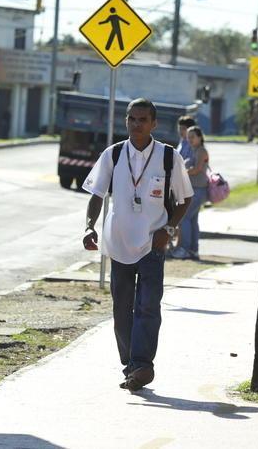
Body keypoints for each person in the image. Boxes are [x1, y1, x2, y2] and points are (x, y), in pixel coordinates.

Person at [82, 98, 192, 391]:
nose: (136, 124)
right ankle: (130, 365)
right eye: (132, 119)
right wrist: (89, 226)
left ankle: (143, 365)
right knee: (122, 308)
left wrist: (168, 229)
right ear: (126, 121)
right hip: (118, 243)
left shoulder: (169, 158)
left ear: (154, 124)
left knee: (148, 306)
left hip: (153, 244)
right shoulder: (114, 155)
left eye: (143, 119)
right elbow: (96, 194)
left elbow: (185, 199)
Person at [173, 125, 208, 260]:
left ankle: (185, 249)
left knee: (184, 218)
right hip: (193, 189)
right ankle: (193, 250)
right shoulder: (194, 150)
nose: (190, 139)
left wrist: (181, 173)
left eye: (193, 137)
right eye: (188, 137)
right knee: (192, 220)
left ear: (200, 137)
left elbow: (197, 169)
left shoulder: (201, 151)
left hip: (197, 189)